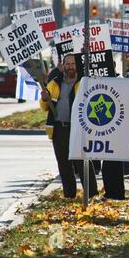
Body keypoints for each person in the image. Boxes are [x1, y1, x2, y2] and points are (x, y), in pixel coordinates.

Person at [40, 53, 98, 199]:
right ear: (63, 65)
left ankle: (92, 194)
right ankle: (69, 195)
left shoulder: (84, 82)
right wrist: (44, 99)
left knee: (82, 161)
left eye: (73, 64)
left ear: (77, 66)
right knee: (63, 163)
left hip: (78, 128)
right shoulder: (54, 83)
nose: (70, 67)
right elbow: (44, 107)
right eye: (68, 64)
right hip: (59, 128)